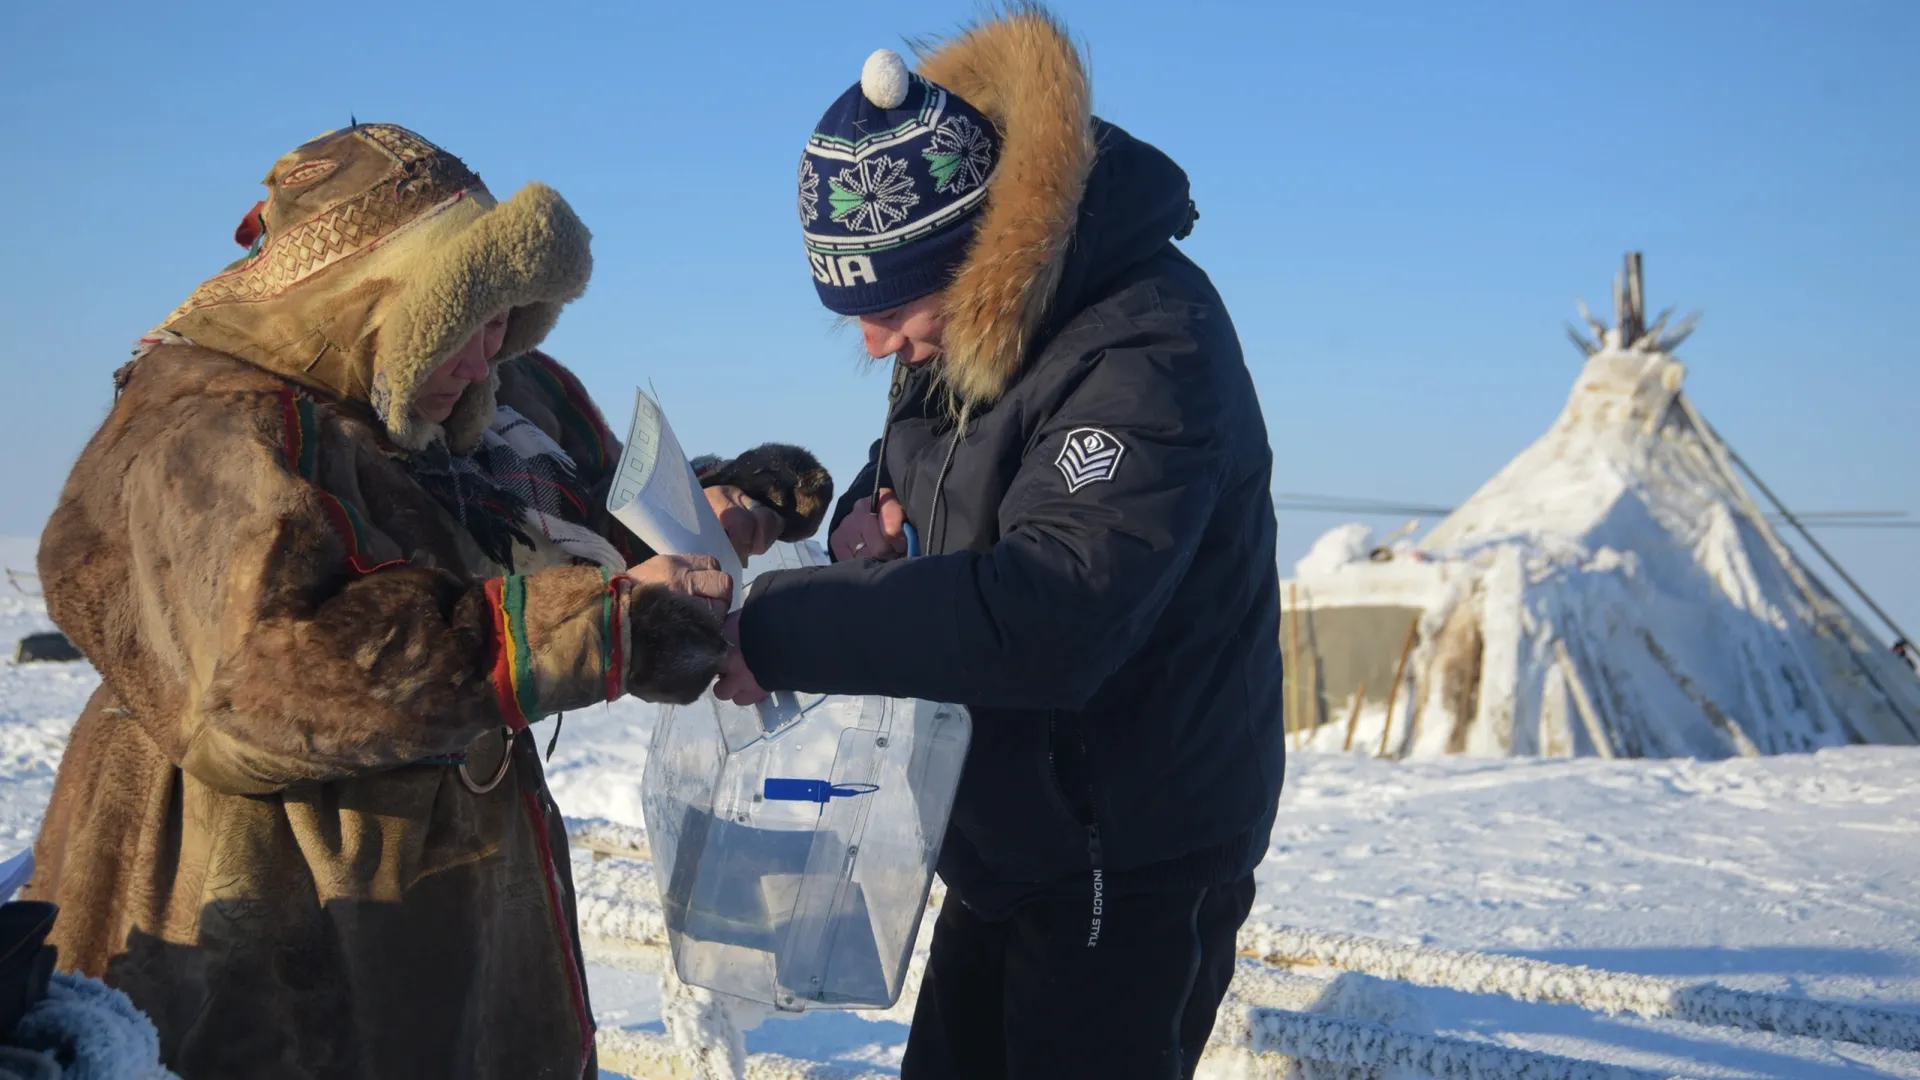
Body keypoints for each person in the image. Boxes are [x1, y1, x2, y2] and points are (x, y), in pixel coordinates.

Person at [25, 123, 832, 1079]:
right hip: (268, 896)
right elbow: (272, 677)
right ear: (366, 294)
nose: (486, 350)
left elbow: (573, 514)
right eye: (464, 316)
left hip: (447, 874)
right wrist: (603, 629)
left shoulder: (469, 391)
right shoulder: (210, 425)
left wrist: (707, 513)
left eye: (504, 318)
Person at [713, 9, 1284, 1078]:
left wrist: (785, 628)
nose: (877, 340)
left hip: (1127, 859)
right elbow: (923, 465)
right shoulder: (972, 323)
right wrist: (869, 528)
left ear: (984, 250)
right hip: (1008, 836)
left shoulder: (1148, 346)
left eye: (889, 304)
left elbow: (1052, 612)